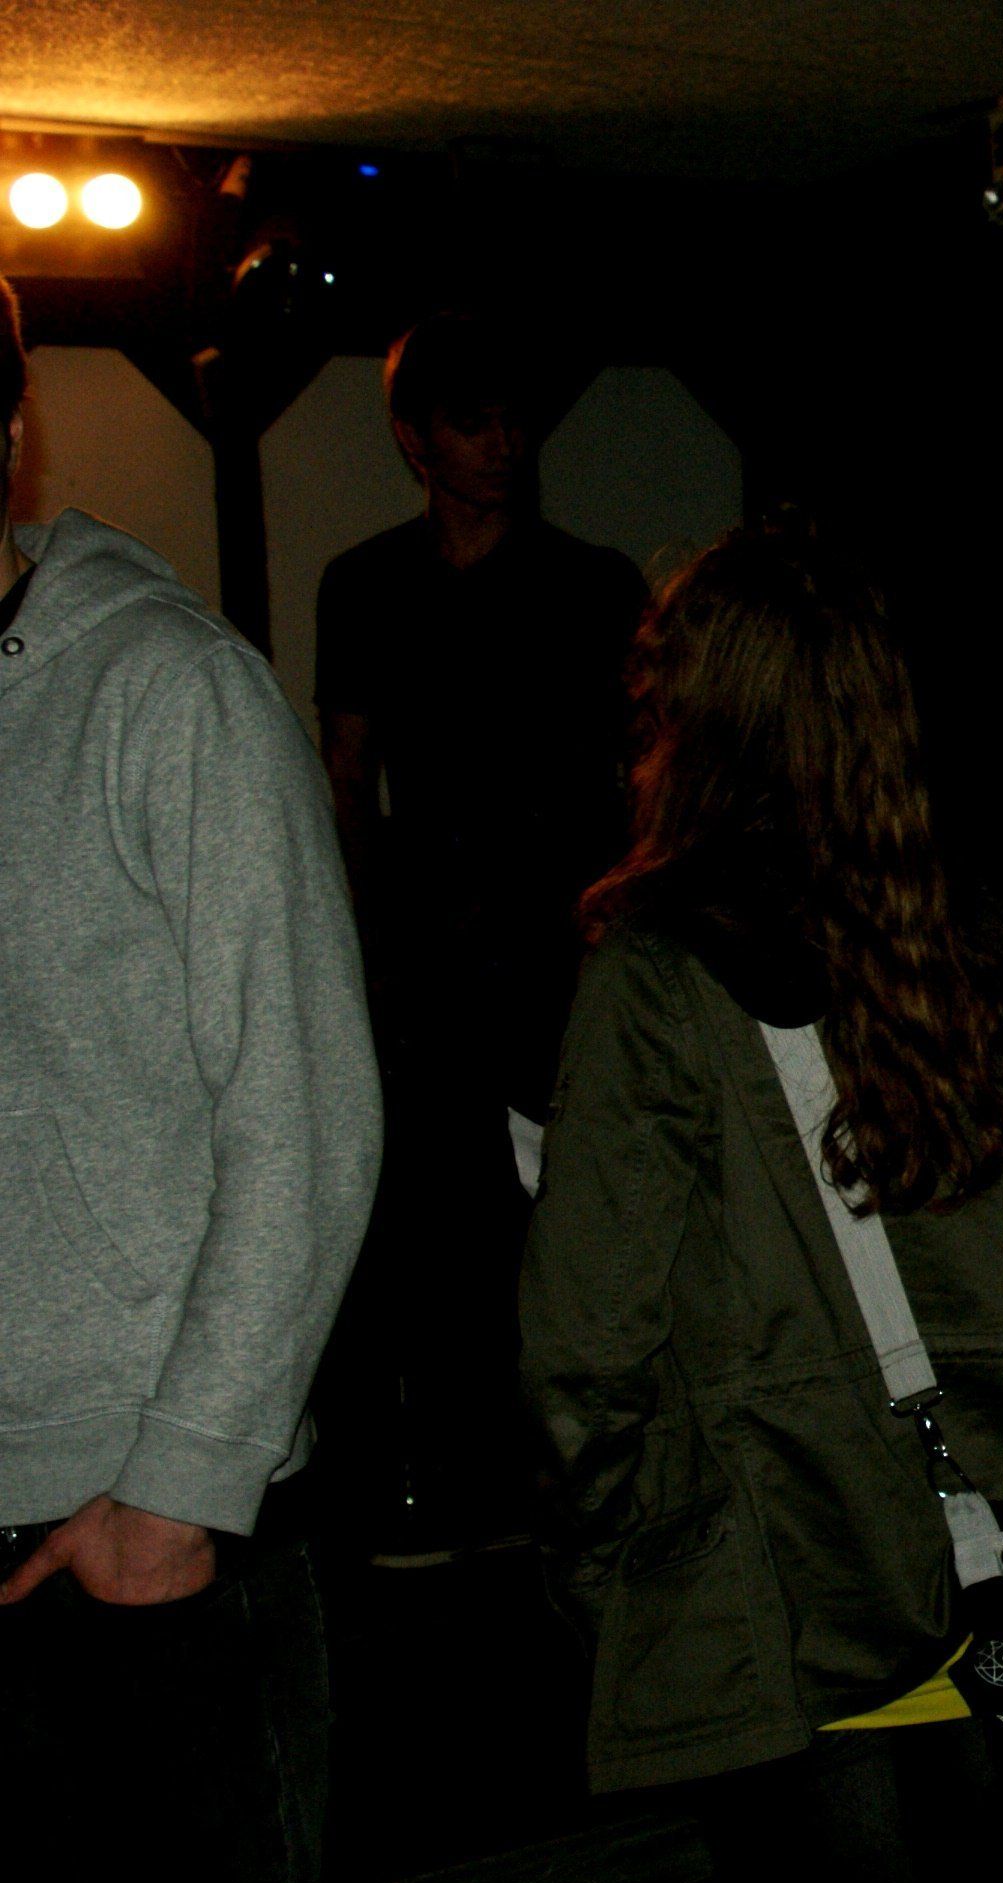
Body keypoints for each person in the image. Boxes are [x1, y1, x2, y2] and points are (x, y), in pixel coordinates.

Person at [517, 520, 1003, 1883]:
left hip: (791, 1599)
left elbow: (585, 1349)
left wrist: (612, 1569)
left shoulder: (657, 979)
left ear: (691, 716)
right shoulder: (988, 947)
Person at [0, 273, 382, 1883]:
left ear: (7, 428)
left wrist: (177, 1488)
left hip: (145, 1529)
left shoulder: (169, 694)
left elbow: (308, 1116)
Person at [315, 313, 648, 1548]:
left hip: (565, 944)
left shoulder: (590, 586)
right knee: (447, 1228)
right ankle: (467, 1470)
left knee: (583, 1214)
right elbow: (347, 774)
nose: (503, 443)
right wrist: (364, 949)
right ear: (415, 438)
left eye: (513, 419)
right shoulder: (369, 583)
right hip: (435, 956)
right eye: (473, 422)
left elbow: (642, 771)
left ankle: (588, 1471)